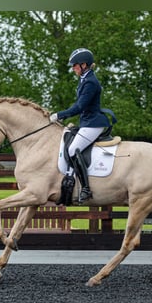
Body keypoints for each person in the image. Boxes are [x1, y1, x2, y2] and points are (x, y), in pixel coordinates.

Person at [50, 48, 114, 203]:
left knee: (73, 150)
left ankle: (85, 188)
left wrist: (59, 115)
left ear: (84, 64)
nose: (73, 68)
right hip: (87, 122)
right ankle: (72, 177)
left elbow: (80, 107)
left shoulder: (91, 82)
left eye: (75, 65)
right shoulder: (85, 78)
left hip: (93, 124)